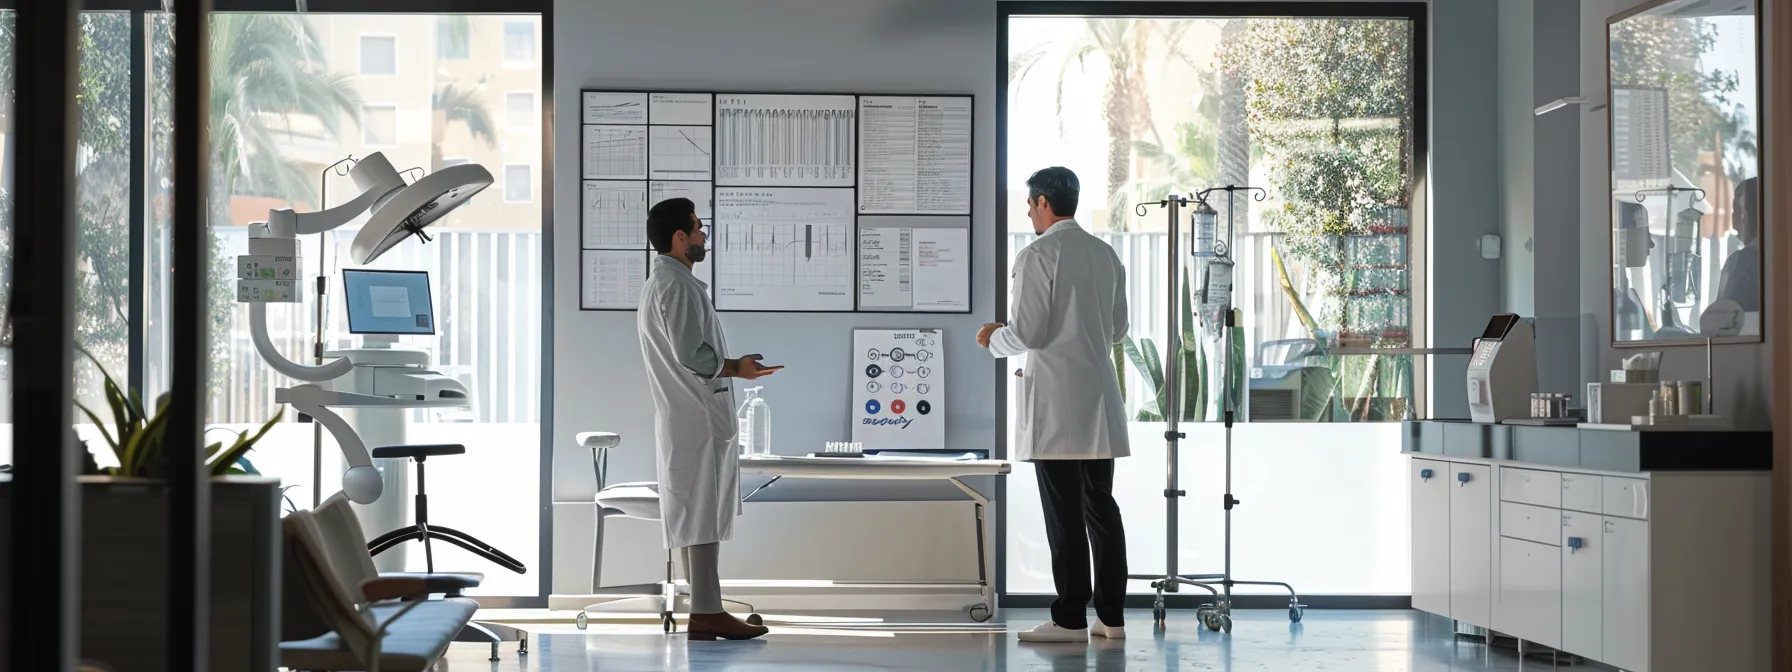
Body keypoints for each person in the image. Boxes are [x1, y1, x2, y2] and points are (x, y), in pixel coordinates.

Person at [979, 167, 1131, 644]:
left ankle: (1068, 619)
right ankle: (1112, 617)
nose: (1028, 211)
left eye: (1029, 203)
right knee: (1101, 509)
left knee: (1062, 513)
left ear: (1044, 201)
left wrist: (991, 339)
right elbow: (1117, 331)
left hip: (1057, 404)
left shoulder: (1037, 254)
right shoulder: (1106, 255)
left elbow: (1027, 333)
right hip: (1098, 400)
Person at [637, 197, 781, 641]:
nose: (703, 236)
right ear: (680, 238)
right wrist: (736, 366)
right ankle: (707, 611)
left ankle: (705, 610)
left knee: (694, 513)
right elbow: (691, 356)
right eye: (699, 229)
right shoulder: (676, 286)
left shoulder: (669, 281)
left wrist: (734, 366)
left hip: (689, 416)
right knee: (698, 514)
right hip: (694, 417)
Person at [1715, 177, 1761, 312]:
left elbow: (1724, 323)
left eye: (1735, 211)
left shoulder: (1741, 262)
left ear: (1744, 216)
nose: (1734, 224)